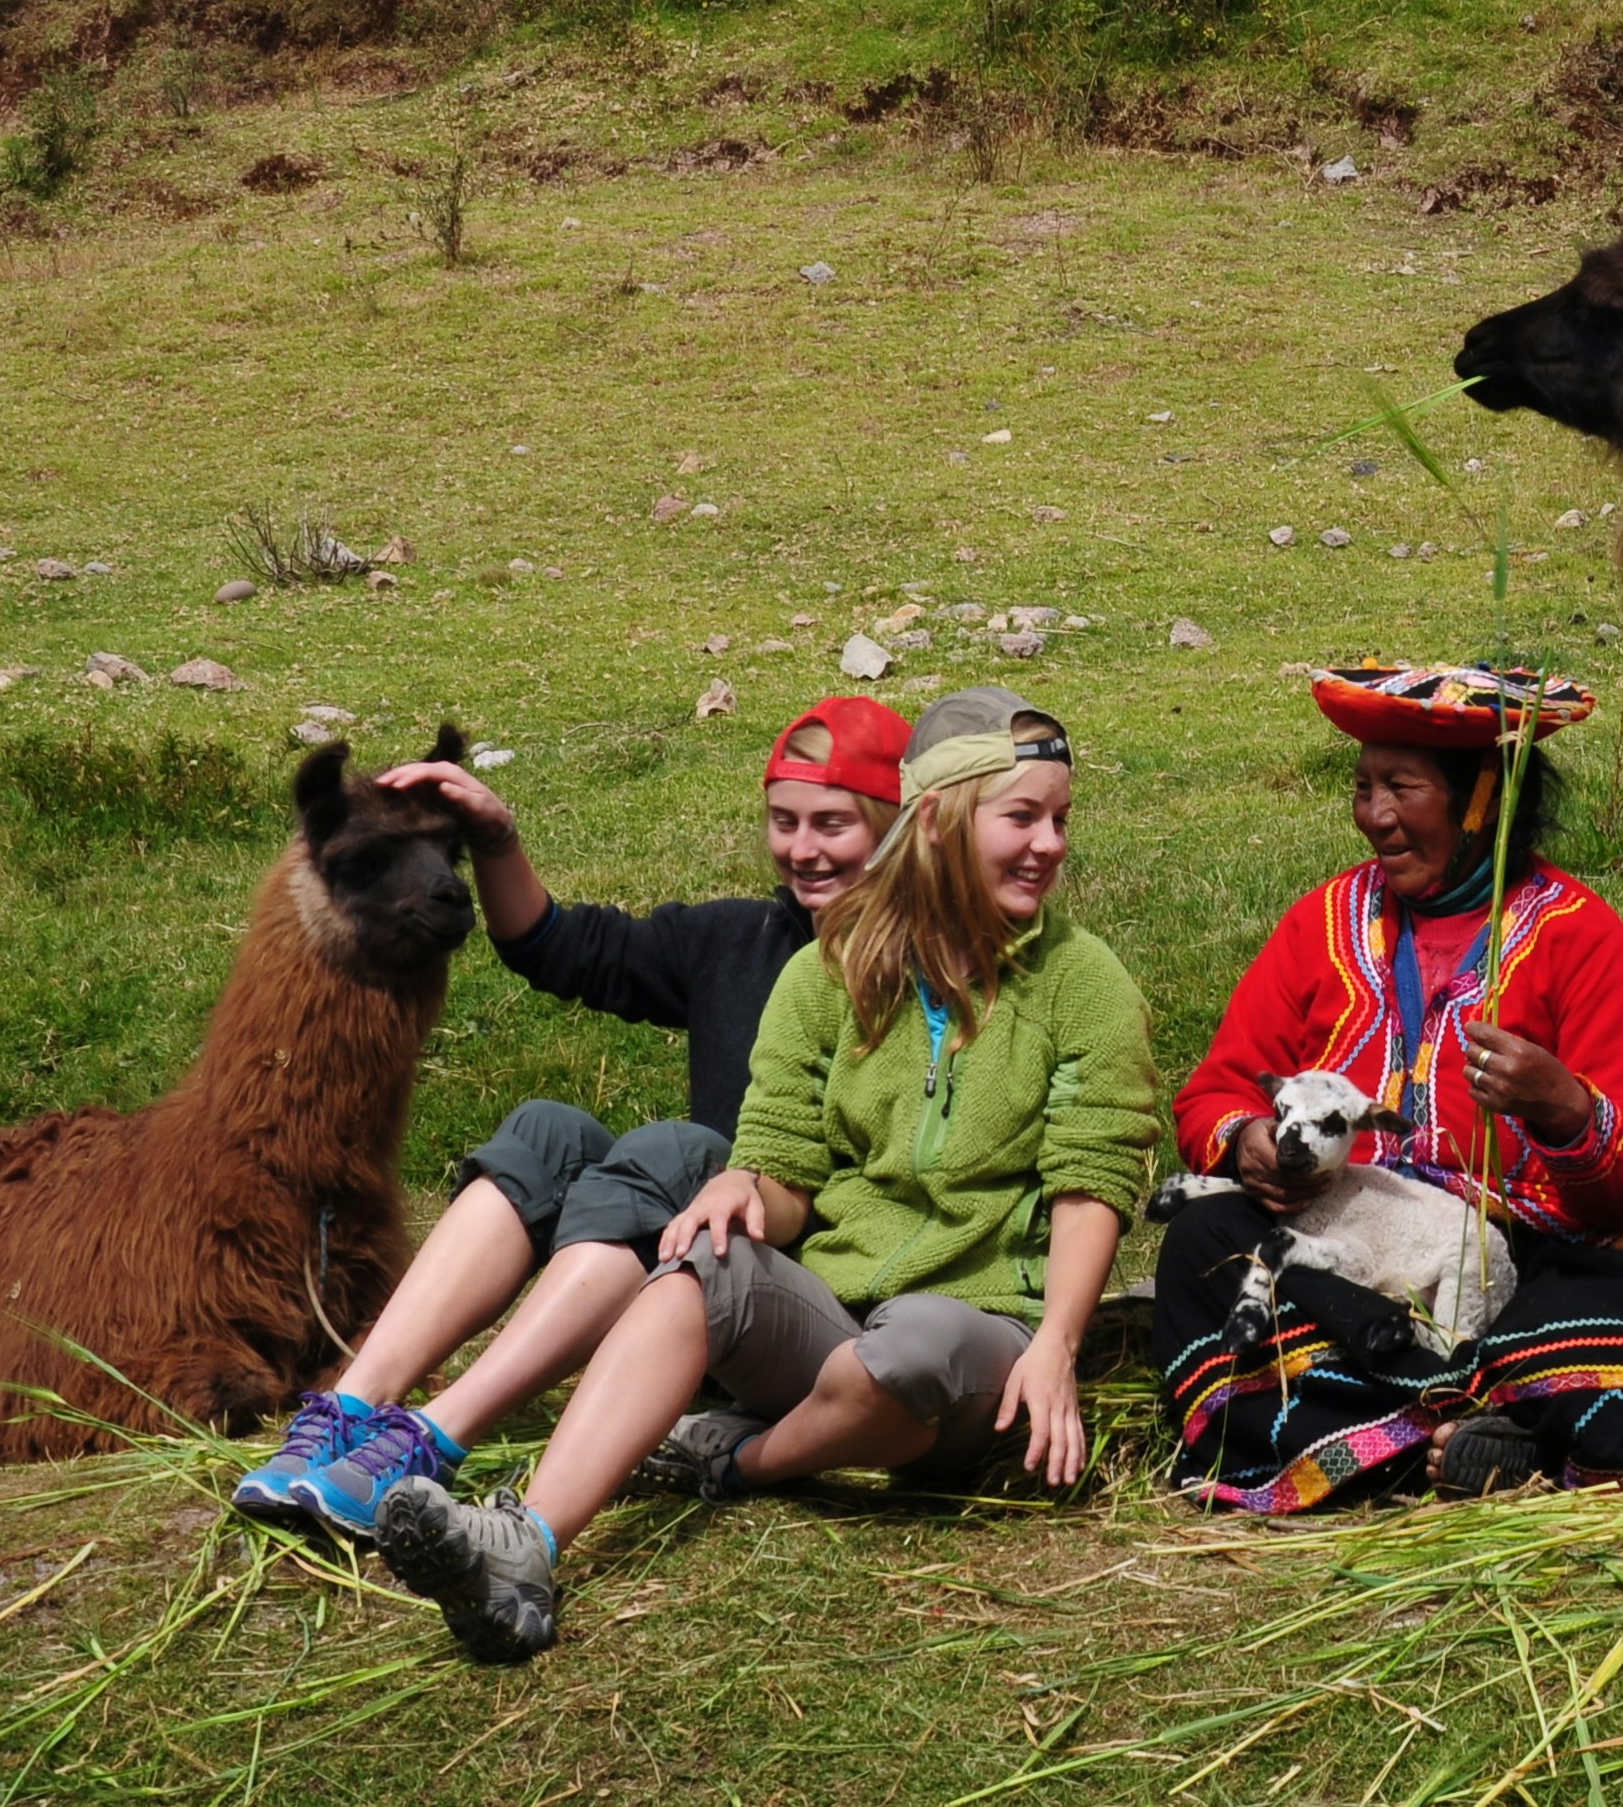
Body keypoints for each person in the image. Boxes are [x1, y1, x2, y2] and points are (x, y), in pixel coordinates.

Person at [373, 690, 1166, 1663]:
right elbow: (786, 1160)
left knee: (916, 1344)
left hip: (980, 1330)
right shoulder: (827, 973)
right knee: (705, 1260)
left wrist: (1054, 1345)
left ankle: (738, 1457)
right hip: (833, 1310)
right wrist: (745, 1188)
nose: (1049, 843)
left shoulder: (1085, 983)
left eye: (1060, 819)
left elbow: (1092, 1181)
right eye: (1022, 816)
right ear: (941, 821)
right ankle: (523, 1543)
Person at [227, 695, 911, 1543]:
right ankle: (349, 1414)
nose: (802, 849)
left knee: (683, 1149)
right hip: (692, 1250)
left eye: (833, 824)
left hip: (784, 1293)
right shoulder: (737, 940)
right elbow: (562, 946)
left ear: (897, 826)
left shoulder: (928, 979)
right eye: (784, 821)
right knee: (546, 1130)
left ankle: (430, 1440)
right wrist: (494, 839)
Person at [1161, 661, 1623, 1511]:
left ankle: (1412, 1429)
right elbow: (1212, 1095)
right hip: (1351, 1248)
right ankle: (1472, 1431)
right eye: (1363, 788)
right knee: (1205, 1242)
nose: (1376, 815)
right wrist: (1247, 1142)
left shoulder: (1579, 938)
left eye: (1402, 787)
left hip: (1528, 1264)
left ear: (1482, 803)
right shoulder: (1321, 924)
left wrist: (1566, 1110)